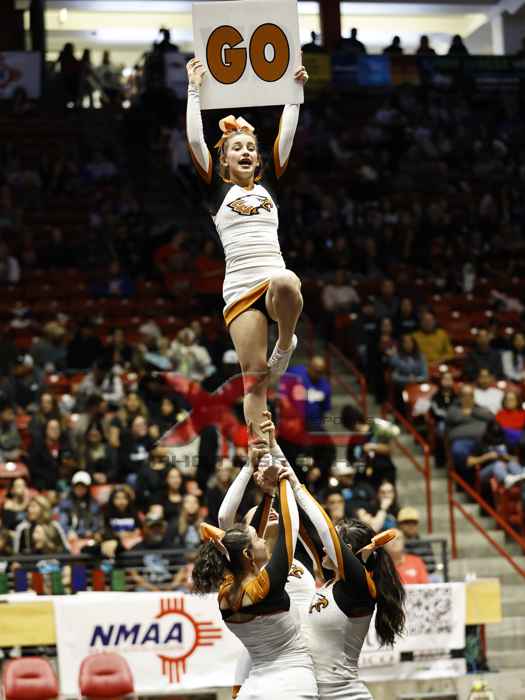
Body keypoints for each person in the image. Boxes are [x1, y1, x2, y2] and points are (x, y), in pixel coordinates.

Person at [186, 57, 308, 444]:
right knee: (254, 379)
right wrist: (193, 90)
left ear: (257, 159)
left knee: (288, 281)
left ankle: (285, 343)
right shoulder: (217, 189)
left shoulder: (270, 184)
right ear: (223, 159)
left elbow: (287, 135)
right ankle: (260, 449)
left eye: (251, 148)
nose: (245, 152)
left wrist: (294, 92)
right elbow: (195, 141)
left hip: (272, 281)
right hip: (239, 288)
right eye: (236, 147)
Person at [274, 461, 405, 700]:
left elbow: (324, 529)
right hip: (314, 693)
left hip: (345, 695)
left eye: (333, 543)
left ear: (348, 553)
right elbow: (302, 529)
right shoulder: (332, 581)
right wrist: (278, 470)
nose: (324, 547)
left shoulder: (359, 587)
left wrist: (295, 483)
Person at [192, 468, 318, 699]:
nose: (261, 537)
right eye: (257, 535)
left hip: (259, 683)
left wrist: (269, 494)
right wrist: (284, 484)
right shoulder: (268, 579)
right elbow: (290, 528)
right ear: (247, 554)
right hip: (290, 678)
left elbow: (231, 542)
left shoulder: (227, 589)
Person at [446, 385, 492, 477]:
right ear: (460, 397)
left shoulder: (480, 408)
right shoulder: (453, 410)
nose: (467, 398)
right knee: (458, 450)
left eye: (470, 395)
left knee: (498, 451)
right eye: (464, 395)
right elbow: (455, 418)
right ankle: (468, 477)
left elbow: (491, 417)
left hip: (484, 441)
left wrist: (471, 412)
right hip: (463, 441)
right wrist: (477, 416)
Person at [466, 421, 525, 489]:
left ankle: (522, 477)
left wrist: (505, 457)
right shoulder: (481, 442)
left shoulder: (505, 440)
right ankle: (507, 479)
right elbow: (469, 462)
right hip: (485, 471)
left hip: (506, 468)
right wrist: (487, 457)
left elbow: (515, 458)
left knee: (512, 463)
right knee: (498, 464)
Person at [57, 471, 102, 540]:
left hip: (90, 538)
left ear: (87, 488)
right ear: (73, 487)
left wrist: (93, 531)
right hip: (71, 537)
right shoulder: (65, 504)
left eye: (83, 487)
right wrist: (68, 532)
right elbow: (62, 523)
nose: (80, 489)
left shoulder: (94, 504)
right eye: (77, 487)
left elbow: (97, 523)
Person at [397, 506, 436, 576]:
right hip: (401, 576)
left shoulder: (424, 544)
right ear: (399, 525)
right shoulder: (394, 543)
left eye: (414, 522)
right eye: (406, 522)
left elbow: (431, 567)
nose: (411, 525)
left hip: (422, 576)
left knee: (436, 578)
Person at [430, 371, 456, 467]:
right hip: (442, 422)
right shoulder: (435, 396)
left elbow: (459, 409)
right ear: (441, 381)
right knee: (442, 428)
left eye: (450, 379)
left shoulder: (457, 396)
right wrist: (450, 415)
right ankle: (443, 459)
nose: (447, 381)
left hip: (456, 421)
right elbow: (436, 412)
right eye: (445, 379)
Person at [389, 334, 428, 398]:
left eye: (410, 342)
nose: (408, 344)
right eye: (405, 342)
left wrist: (416, 379)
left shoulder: (421, 356)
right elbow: (394, 376)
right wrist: (407, 379)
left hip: (418, 384)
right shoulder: (396, 358)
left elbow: (425, 375)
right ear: (402, 344)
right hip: (402, 385)